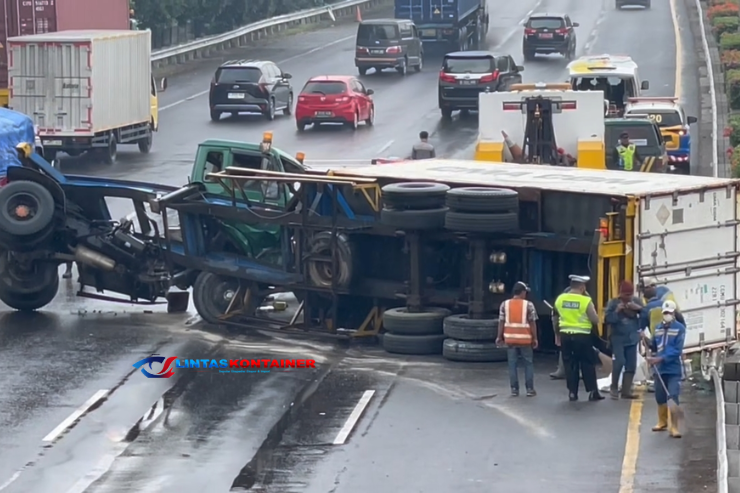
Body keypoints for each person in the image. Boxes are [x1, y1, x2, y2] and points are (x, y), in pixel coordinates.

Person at [553, 275, 603, 401]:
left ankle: (572, 393)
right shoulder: (585, 300)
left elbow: (555, 318)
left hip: (565, 335)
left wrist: (557, 334)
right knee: (587, 363)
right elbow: (595, 319)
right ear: (582, 287)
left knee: (570, 364)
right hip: (582, 336)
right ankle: (592, 392)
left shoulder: (560, 299)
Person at [648, 300, 686, 438]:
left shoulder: (680, 329)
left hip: (673, 368)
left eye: (669, 313)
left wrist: (661, 358)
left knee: (673, 395)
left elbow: (677, 350)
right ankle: (662, 422)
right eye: (665, 313)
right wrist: (648, 347)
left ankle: (674, 427)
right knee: (660, 396)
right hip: (659, 369)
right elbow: (654, 346)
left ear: (674, 313)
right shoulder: (657, 328)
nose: (667, 315)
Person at [496, 281, 538, 397]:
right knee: (528, 364)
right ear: (523, 292)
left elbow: (501, 322)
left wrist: (499, 337)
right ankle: (530, 389)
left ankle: (514, 389)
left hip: (510, 340)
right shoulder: (528, 305)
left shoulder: (505, 304)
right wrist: (535, 338)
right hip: (525, 340)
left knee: (512, 364)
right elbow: (532, 323)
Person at [604, 280, 644, 399]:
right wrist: (617, 311)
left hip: (632, 338)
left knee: (631, 365)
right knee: (619, 362)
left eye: (630, 295)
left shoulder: (636, 301)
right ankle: (614, 387)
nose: (628, 298)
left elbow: (646, 315)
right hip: (618, 338)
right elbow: (607, 320)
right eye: (625, 295)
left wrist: (638, 309)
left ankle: (626, 390)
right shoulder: (613, 303)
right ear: (620, 293)